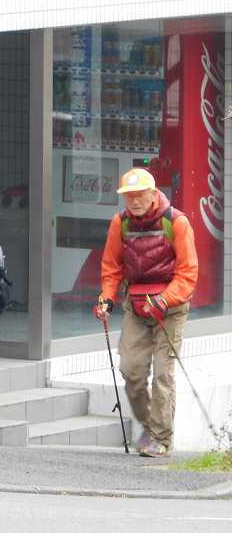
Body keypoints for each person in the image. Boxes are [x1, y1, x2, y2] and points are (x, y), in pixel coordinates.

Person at [94, 167, 198, 458]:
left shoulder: (176, 222)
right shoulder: (120, 223)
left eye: (140, 195)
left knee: (163, 375)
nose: (135, 201)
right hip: (137, 306)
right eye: (129, 196)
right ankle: (151, 426)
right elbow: (111, 267)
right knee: (131, 369)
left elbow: (188, 273)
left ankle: (161, 439)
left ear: (153, 194)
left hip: (171, 309)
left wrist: (165, 300)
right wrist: (106, 299)